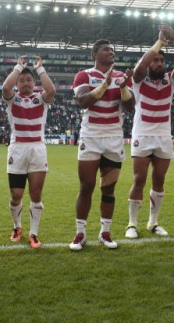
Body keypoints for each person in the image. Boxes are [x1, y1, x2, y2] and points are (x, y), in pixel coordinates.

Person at [125, 24, 174, 239]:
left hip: (163, 136)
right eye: (156, 60)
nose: (159, 63)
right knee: (139, 180)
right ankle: (132, 224)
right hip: (142, 135)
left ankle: (153, 222)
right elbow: (140, 67)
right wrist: (160, 43)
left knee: (159, 180)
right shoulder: (139, 80)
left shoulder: (170, 81)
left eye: (162, 60)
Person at [69, 39, 135, 251]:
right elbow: (83, 101)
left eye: (113, 50)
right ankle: (80, 233)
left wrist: (123, 87)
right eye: (106, 49)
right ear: (95, 53)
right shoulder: (84, 75)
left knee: (109, 188)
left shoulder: (121, 77)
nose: (111, 52)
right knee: (86, 186)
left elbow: (129, 107)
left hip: (114, 138)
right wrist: (104, 85)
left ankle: (105, 232)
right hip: (91, 137)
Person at [2, 55, 55, 249]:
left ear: (34, 82)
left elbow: (51, 90)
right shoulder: (12, 99)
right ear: (18, 83)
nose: (25, 83)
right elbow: (5, 88)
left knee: (36, 194)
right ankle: (17, 227)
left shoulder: (40, 99)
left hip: (37, 149)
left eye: (29, 80)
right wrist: (18, 67)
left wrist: (40, 70)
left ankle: (34, 233)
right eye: (22, 81)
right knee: (16, 194)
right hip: (17, 148)